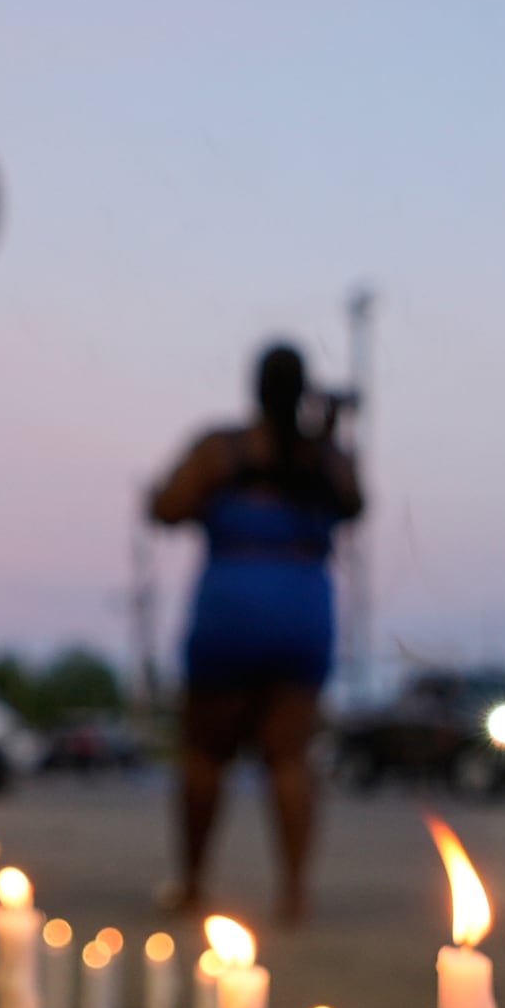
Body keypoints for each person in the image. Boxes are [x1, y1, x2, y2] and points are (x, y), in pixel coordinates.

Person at [148, 342, 361, 926]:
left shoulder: (222, 449)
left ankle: (193, 885)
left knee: (204, 753)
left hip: (230, 612)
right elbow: (355, 503)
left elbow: (166, 507)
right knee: (290, 757)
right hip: (302, 613)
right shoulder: (323, 459)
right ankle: (294, 893)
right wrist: (329, 432)